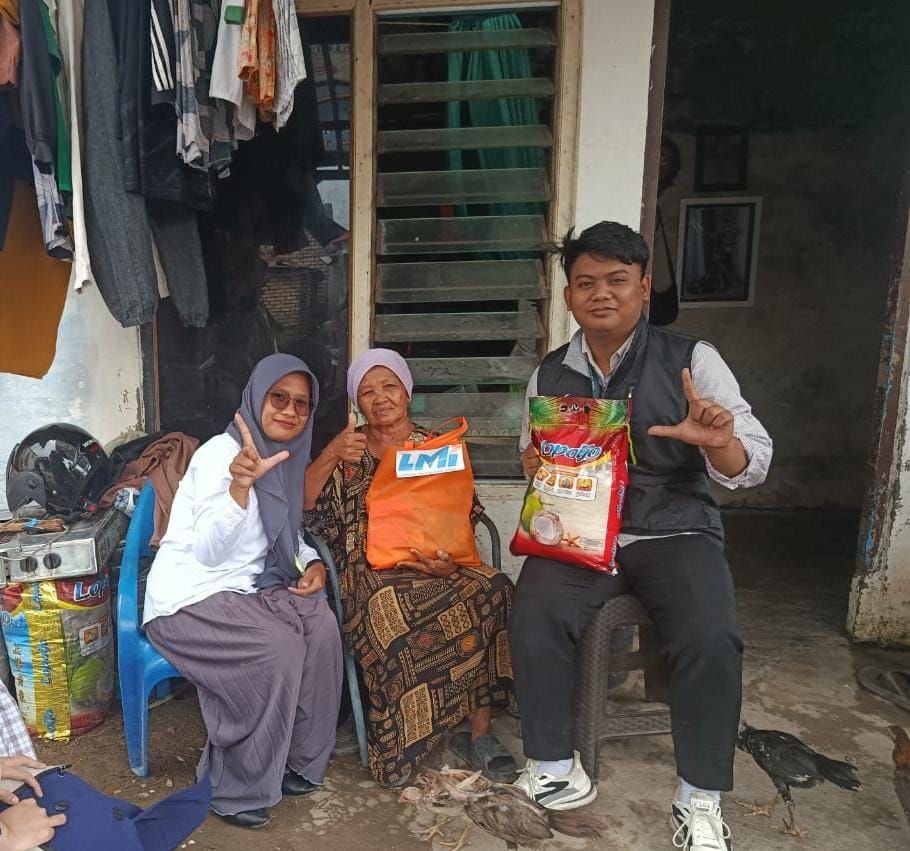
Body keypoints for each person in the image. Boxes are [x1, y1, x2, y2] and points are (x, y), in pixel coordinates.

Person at [510, 222, 772, 851]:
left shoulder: (692, 360)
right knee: (532, 608)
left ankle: (699, 798)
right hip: (581, 536)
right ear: (569, 294)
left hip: (673, 527)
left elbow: (753, 464)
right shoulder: (549, 374)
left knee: (710, 633)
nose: (602, 294)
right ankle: (554, 767)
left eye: (617, 281)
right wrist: (541, 466)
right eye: (586, 282)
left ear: (644, 287)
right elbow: (530, 451)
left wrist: (720, 442)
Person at [143, 354, 343, 829]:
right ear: (257, 396)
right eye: (279, 398)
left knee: (321, 627)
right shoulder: (221, 455)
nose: (290, 412)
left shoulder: (286, 461)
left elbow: (285, 535)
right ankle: (235, 785)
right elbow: (211, 553)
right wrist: (238, 488)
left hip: (248, 589)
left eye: (302, 404)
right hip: (187, 598)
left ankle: (296, 760)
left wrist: (312, 564)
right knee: (276, 649)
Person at [305, 349, 516, 788]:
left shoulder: (433, 445)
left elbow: (462, 511)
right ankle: (399, 747)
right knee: (388, 608)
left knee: (495, 587)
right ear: (356, 403)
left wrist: (447, 561)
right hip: (370, 570)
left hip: (438, 564)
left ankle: (479, 733)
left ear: (406, 391)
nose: (380, 398)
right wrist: (328, 454)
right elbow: (303, 507)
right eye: (367, 391)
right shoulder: (349, 449)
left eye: (389, 386)